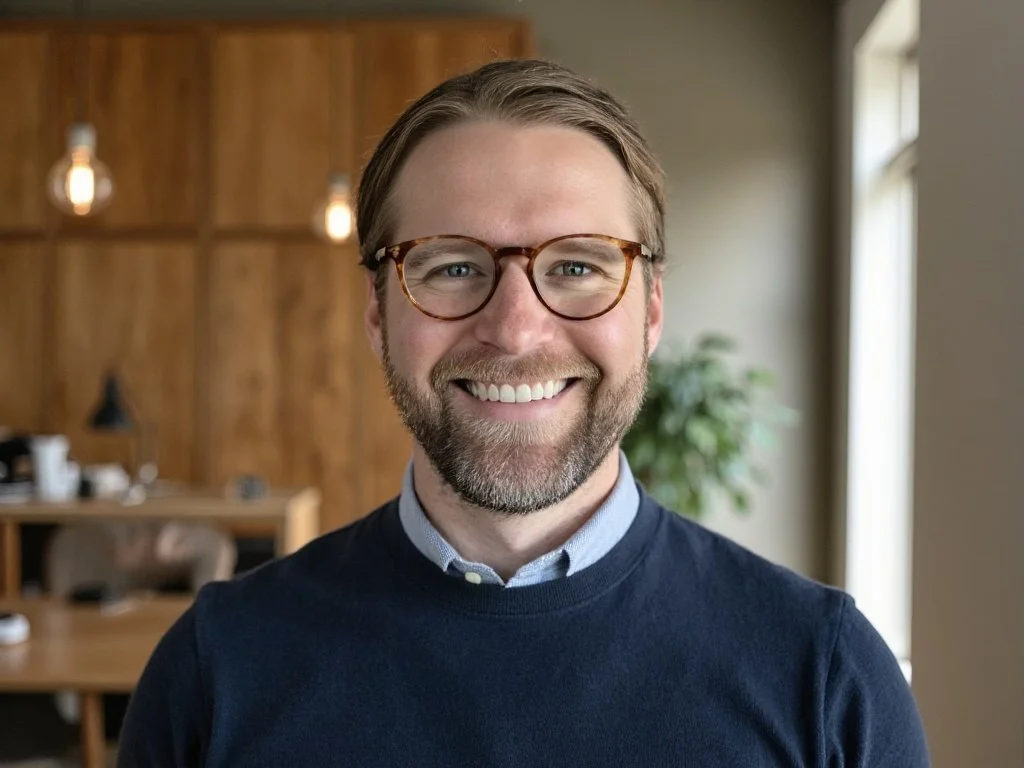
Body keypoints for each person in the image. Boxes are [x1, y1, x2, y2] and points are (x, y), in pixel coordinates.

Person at [118, 59, 930, 766]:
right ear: (377, 314)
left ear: (650, 311)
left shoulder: (824, 677)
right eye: (451, 267)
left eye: (577, 265)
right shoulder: (215, 668)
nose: (513, 329)